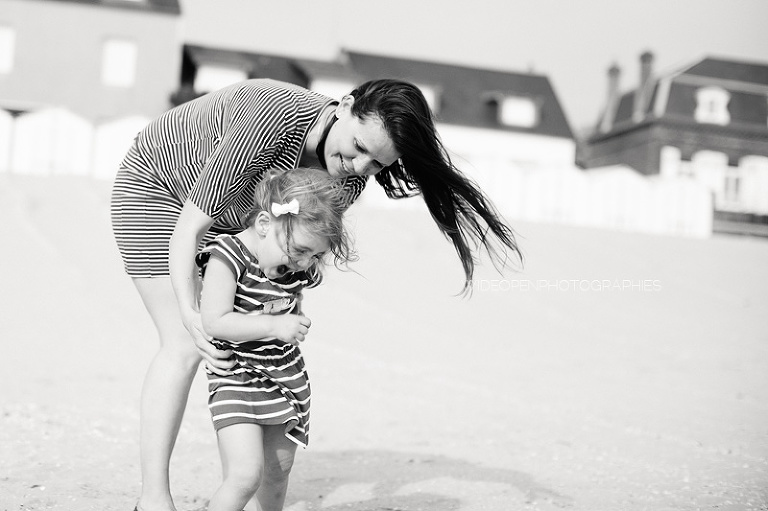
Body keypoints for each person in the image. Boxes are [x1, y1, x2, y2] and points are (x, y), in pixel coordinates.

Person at [110, 77, 521, 511]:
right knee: (183, 342)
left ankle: (243, 479)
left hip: (242, 217)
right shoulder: (270, 113)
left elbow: (295, 251)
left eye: (377, 165)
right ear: (345, 105)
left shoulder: (348, 179)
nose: (359, 167)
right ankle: (152, 498)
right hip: (159, 188)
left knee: (247, 340)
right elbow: (189, 228)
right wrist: (189, 310)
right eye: (360, 147)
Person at [196, 167, 354, 511]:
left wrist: (292, 321)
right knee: (245, 475)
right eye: (299, 250)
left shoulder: (294, 268)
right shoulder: (226, 256)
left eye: (315, 255)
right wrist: (273, 327)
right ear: (265, 224)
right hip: (235, 379)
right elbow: (215, 321)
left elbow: (290, 307)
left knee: (278, 471)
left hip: (285, 379)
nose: (303, 263)